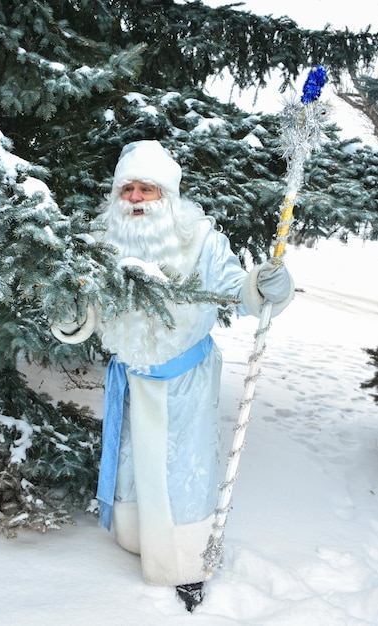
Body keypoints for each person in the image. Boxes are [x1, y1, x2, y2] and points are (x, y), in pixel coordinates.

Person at [51, 140, 294, 612]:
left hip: (184, 381)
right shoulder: (102, 243)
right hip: (130, 376)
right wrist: (67, 309)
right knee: (134, 468)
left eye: (148, 189)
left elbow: (236, 292)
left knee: (181, 472)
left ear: (168, 195)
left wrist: (265, 285)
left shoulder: (202, 241)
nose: (137, 199)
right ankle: (137, 539)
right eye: (129, 189)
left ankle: (184, 562)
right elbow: (82, 317)